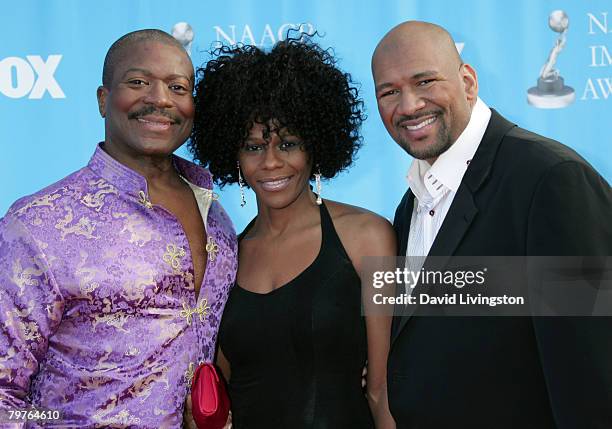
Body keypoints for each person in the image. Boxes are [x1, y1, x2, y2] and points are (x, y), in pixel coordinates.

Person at [371, 20, 612, 428]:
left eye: (425, 81)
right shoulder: (410, 203)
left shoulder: (551, 180)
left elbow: (593, 373)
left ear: (468, 81)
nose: (408, 105)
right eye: (389, 92)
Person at [0, 29, 237, 427]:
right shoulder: (38, 224)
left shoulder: (217, 216)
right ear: (103, 99)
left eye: (178, 87)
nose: (160, 99)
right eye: (139, 82)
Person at [188, 37, 396, 428]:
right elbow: (218, 392)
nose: (271, 162)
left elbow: (382, 391)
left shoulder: (368, 237)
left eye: (288, 143)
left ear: (315, 146)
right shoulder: (226, 256)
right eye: (253, 147)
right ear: (233, 156)